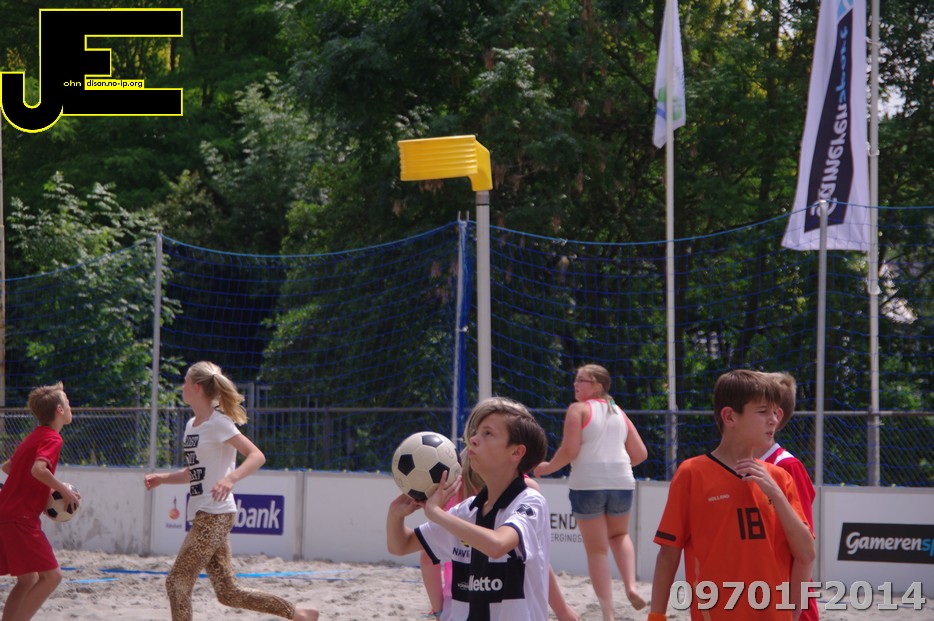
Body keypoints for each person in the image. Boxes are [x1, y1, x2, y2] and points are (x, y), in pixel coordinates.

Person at [143, 361, 318, 621]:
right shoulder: (192, 425)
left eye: (186, 381)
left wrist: (230, 479)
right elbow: (195, 472)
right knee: (228, 592)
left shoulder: (219, 423)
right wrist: (163, 478)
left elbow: (257, 455)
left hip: (215, 514)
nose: (182, 386)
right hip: (205, 513)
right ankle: (299, 614)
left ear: (197, 387)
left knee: (177, 582)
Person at [647, 369, 816, 621]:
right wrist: (656, 616)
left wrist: (794, 609)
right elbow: (669, 555)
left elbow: (806, 554)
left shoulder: (780, 477)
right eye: (763, 411)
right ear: (729, 416)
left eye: (775, 412)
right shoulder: (692, 474)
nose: (773, 420)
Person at [387, 396, 551, 621]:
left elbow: (497, 545)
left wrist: (437, 514)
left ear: (516, 452)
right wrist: (395, 514)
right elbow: (400, 545)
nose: (473, 439)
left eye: (488, 433)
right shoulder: (467, 511)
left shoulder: (530, 502)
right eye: (476, 432)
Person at [534, 364, 648, 620]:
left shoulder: (578, 409)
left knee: (597, 551)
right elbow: (640, 454)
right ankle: (631, 586)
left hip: (587, 484)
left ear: (598, 385)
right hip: (621, 482)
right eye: (576, 380)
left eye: (581, 380)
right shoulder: (618, 411)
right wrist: (615, 466)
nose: (575, 384)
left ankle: (608, 613)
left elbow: (570, 450)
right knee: (620, 535)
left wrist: (548, 467)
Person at [0, 382, 80, 621]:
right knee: (53, 576)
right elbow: (38, 470)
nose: (70, 406)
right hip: (20, 517)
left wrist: (41, 496)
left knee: (28, 579)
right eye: (67, 402)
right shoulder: (53, 438)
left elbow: (8, 467)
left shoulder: (34, 436)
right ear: (59, 410)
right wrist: (63, 492)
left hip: (8, 513)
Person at [758, 371, 819, 621]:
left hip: (789, 602)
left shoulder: (787, 467)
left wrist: (794, 607)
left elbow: (804, 546)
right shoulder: (738, 463)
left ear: (776, 415)